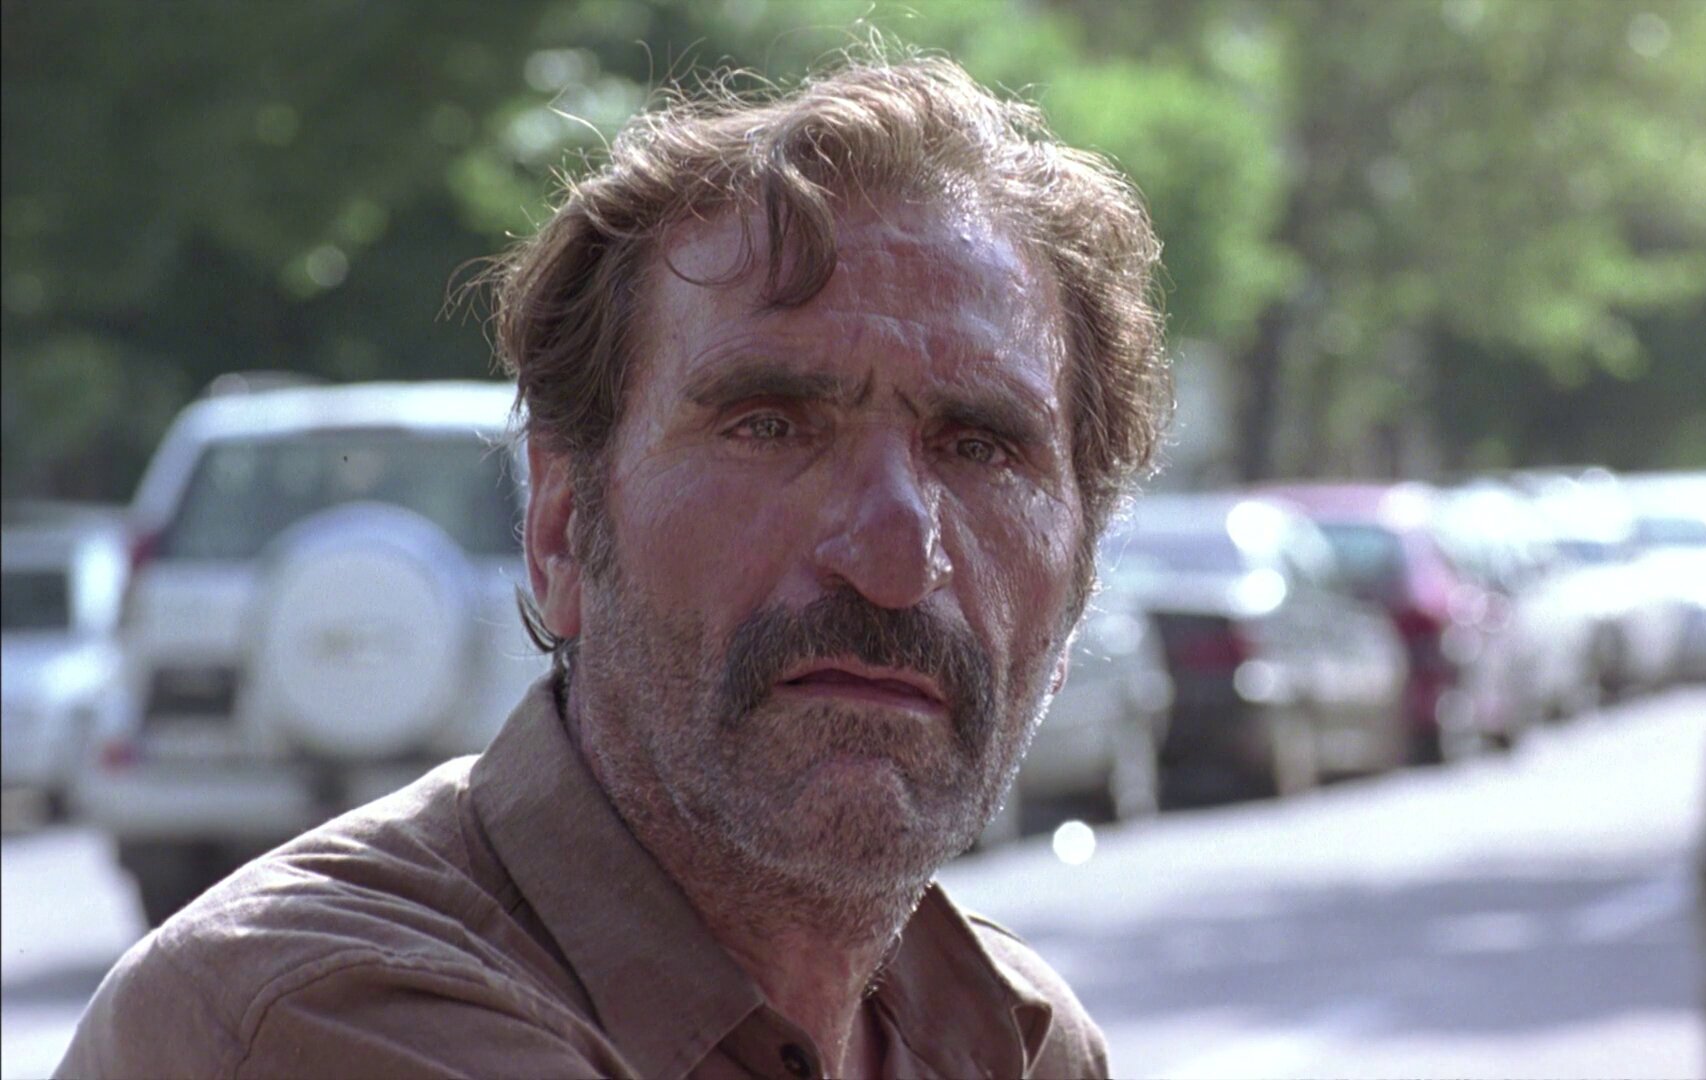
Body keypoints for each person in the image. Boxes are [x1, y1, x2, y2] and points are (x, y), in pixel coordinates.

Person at [59, 47, 1169, 1080]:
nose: (893, 561)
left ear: (1077, 583)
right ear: (560, 524)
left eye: (981, 448)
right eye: (769, 426)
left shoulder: (1014, 1038)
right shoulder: (338, 1016)